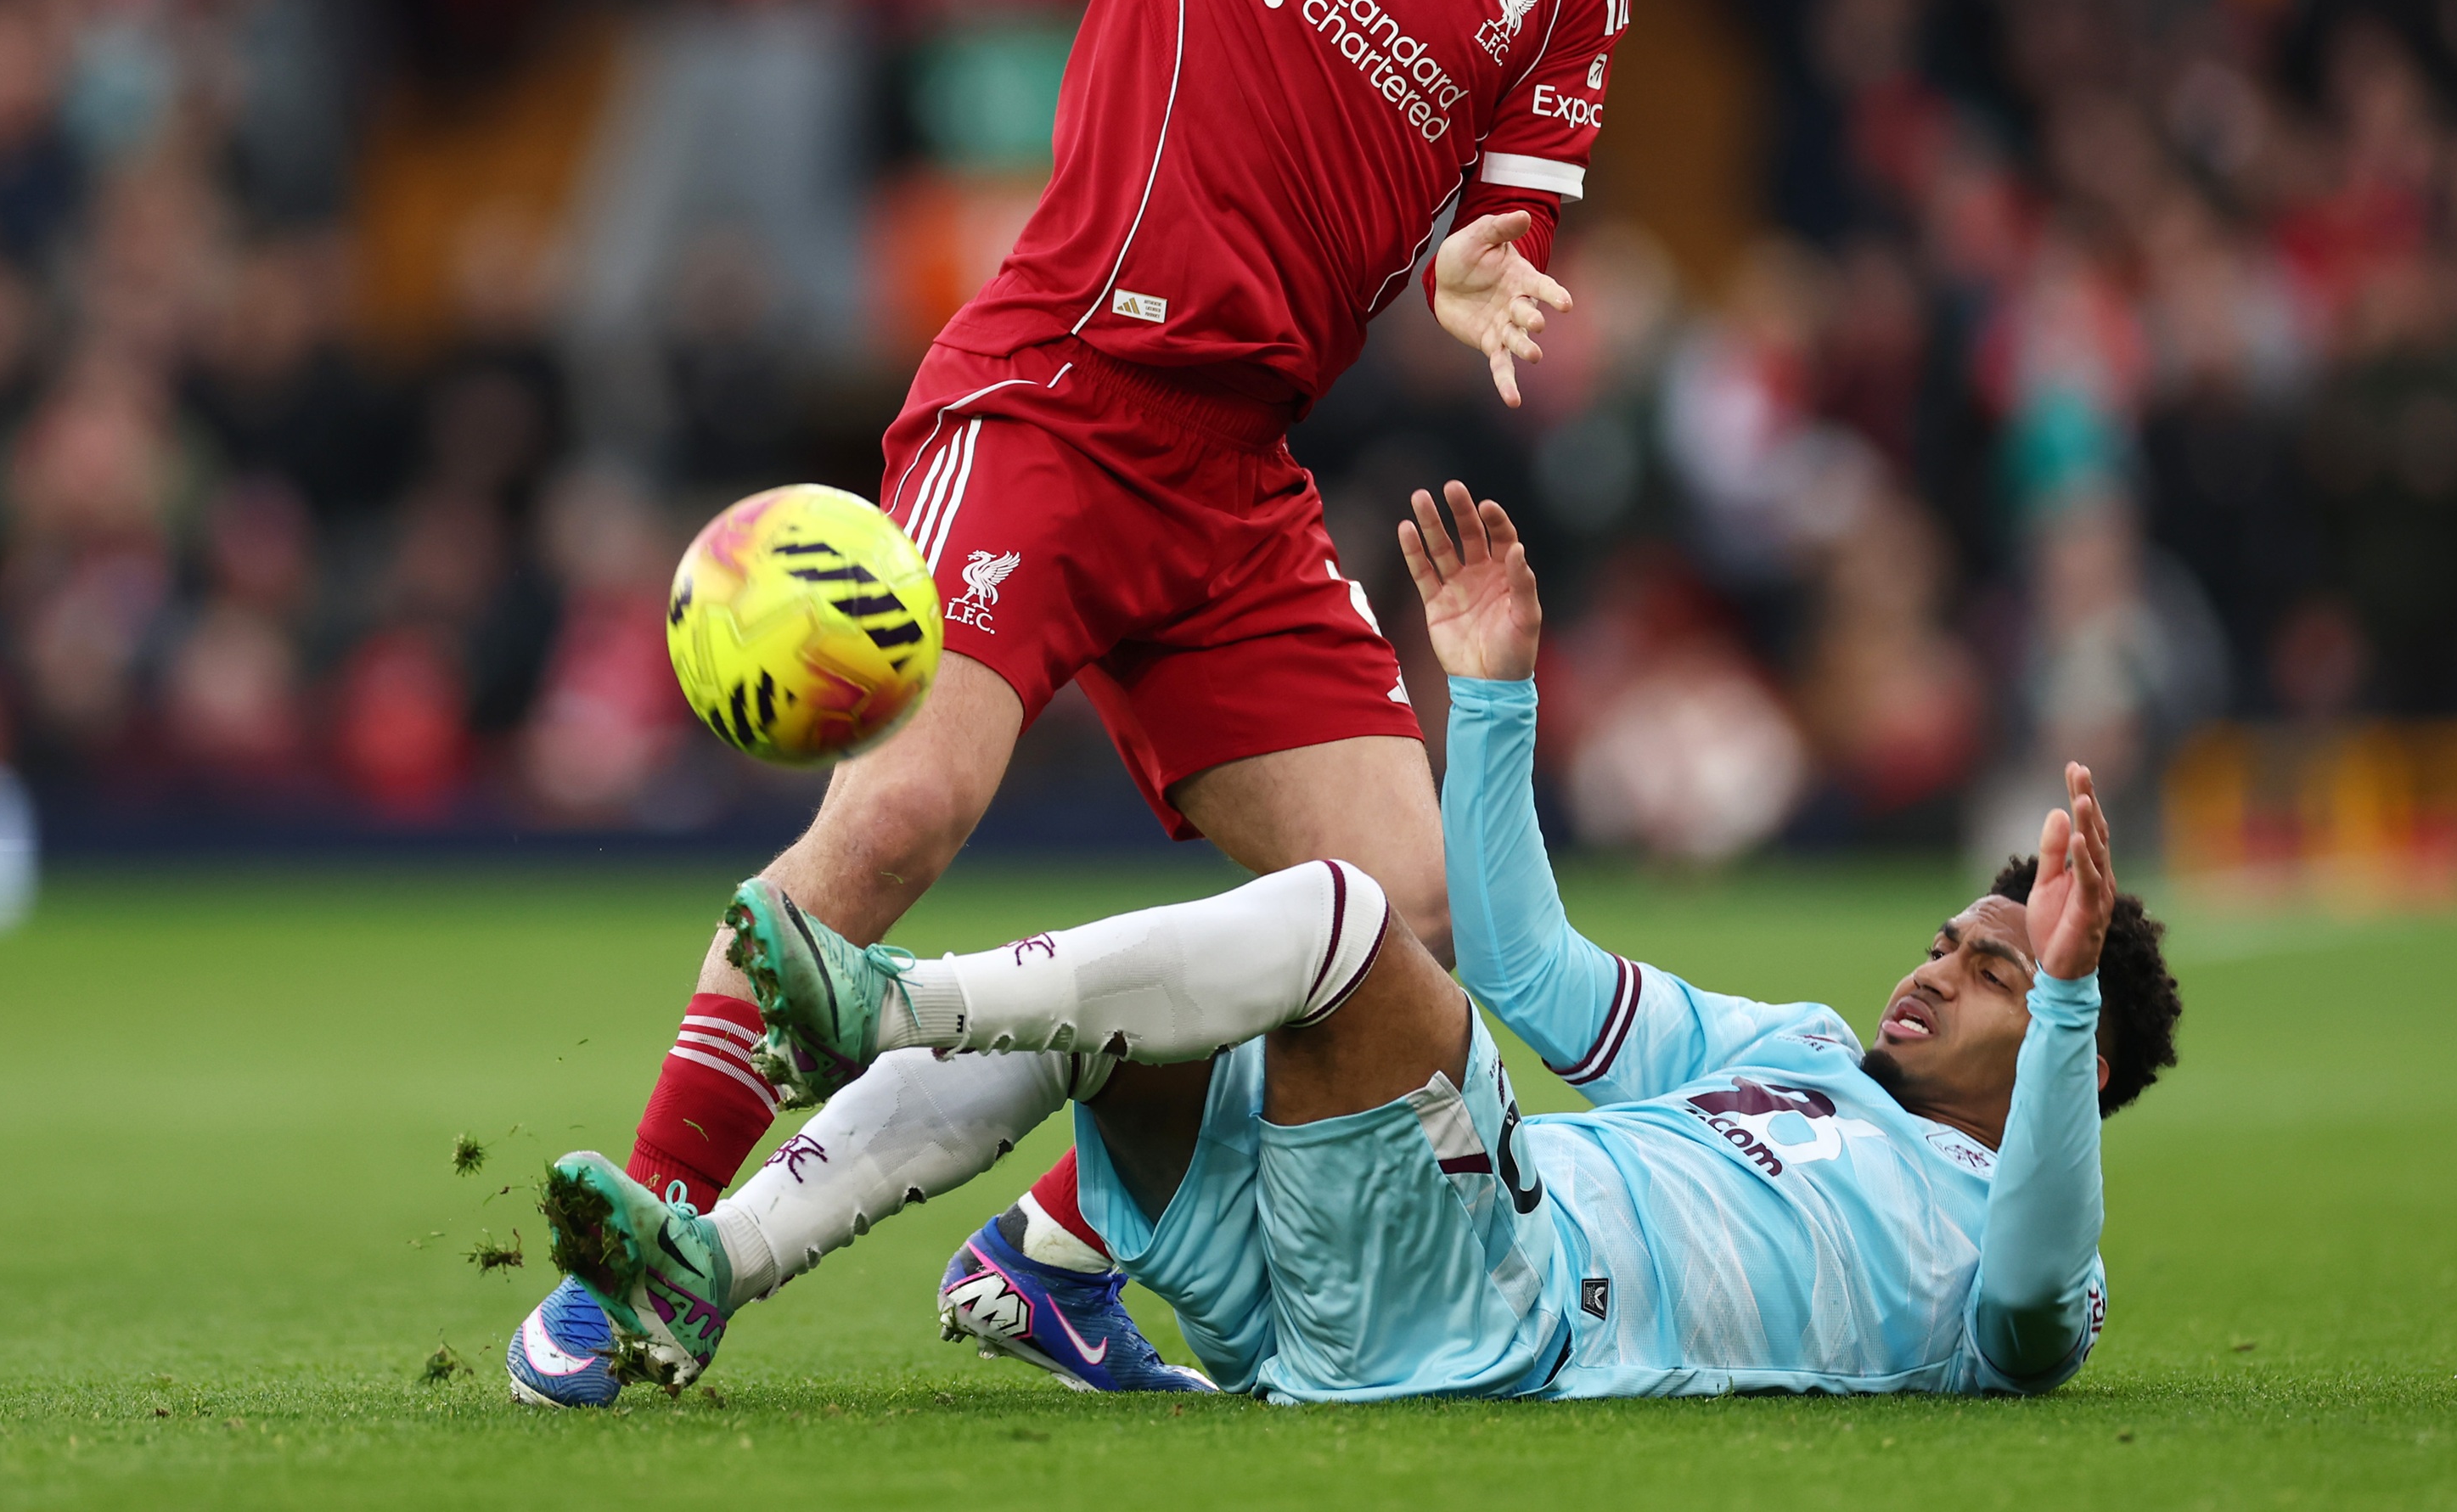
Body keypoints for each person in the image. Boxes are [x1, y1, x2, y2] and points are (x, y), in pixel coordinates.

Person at [514, 0, 1635, 1402]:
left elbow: (1512, 199)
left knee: (1402, 911)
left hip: (1238, 483)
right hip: (1049, 400)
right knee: (900, 817)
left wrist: (1497, 267)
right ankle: (630, 1259)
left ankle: (1057, 1242)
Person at [542, 483, 2180, 1402]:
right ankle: (712, 1269)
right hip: (1348, 1254)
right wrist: (1494, 696)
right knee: (1092, 1010)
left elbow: (2037, 1290)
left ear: (2076, 1053)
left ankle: (887, 1004)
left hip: (1500, 1306)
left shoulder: (2023, 1267)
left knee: (1340, 913)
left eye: (1994, 971)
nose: (1934, 972)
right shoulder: (1803, 1052)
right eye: (1953, 942)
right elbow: (1529, 975)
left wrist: (2059, 993)